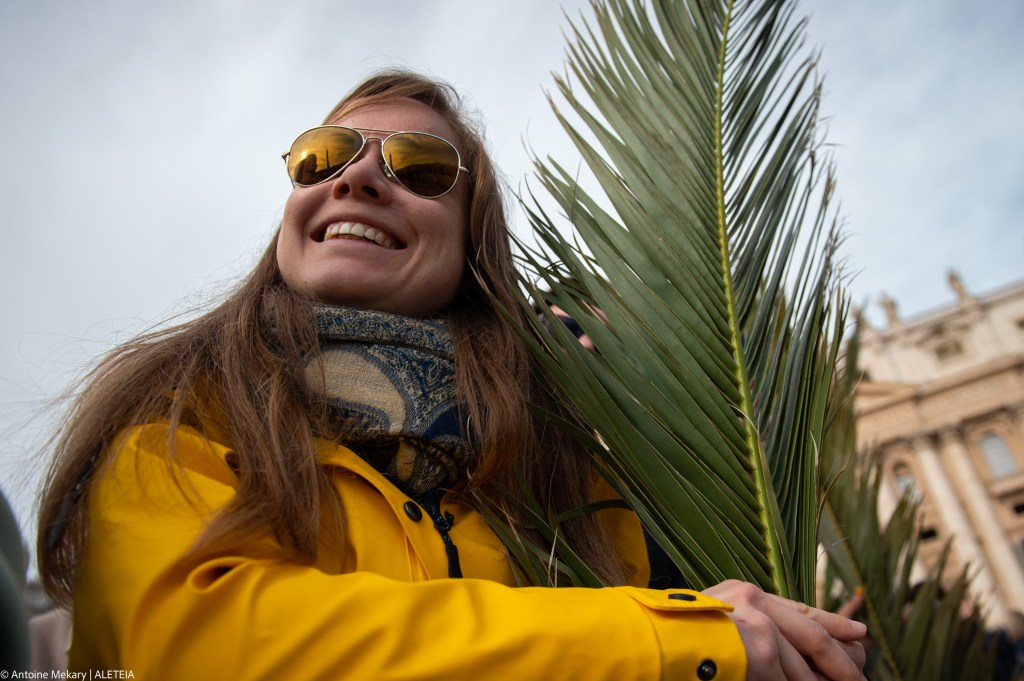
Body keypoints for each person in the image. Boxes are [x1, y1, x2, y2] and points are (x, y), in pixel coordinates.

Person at [36, 69, 866, 680]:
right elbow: (200, 650)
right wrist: (674, 641)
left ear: (471, 240)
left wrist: (631, 408)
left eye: (420, 166)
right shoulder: (181, 411)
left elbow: (741, 604)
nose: (356, 176)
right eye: (323, 157)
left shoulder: (556, 466)